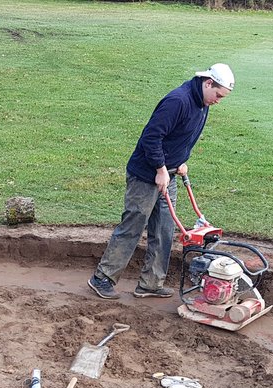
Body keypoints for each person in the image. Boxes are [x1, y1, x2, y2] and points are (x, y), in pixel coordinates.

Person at [88, 63, 235, 301]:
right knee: (133, 226)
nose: (218, 100)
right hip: (146, 175)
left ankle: (151, 284)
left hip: (170, 173)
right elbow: (152, 136)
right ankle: (102, 278)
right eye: (218, 95)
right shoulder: (178, 101)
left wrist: (180, 161)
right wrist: (160, 169)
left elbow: (180, 137)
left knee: (164, 229)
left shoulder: (202, 103)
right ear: (208, 83)